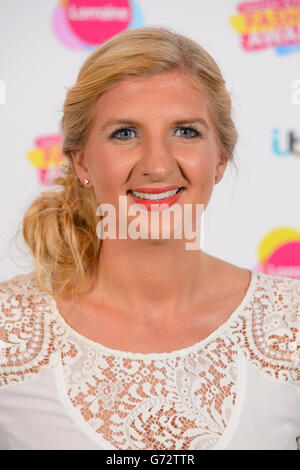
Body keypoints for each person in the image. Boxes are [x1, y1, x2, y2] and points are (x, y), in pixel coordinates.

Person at [0, 26, 299, 451]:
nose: (157, 166)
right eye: (125, 133)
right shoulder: (7, 328)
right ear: (81, 160)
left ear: (220, 159)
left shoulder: (292, 322)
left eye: (186, 131)